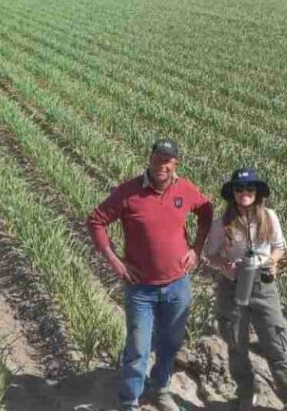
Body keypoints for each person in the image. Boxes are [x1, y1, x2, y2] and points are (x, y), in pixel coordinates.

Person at [87, 139, 214, 411]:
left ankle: (160, 387)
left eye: (167, 161)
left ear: (175, 164)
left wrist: (197, 248)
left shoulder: (184, 189)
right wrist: (115, 262)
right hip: (140, 288)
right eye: (158, 159)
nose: (162, 166)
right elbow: (96, 221)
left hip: (178, 285)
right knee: (138, 348)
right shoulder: (128, 192)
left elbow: (206, 211)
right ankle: (130, 400)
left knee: (171, 342)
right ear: (150, 159)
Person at [204, 168, 287, 411]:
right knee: (236, 344)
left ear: (257, 193)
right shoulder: (222, 224)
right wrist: (225, 263)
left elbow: (279, 248)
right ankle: (246, 398)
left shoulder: (269, 217)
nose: (245, 193)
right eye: (239, 189)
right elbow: (210, 255)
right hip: (232, 287)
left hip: (263, 287)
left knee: (276, 344)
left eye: (250, 188)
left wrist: (272, 262)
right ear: (233, 193)